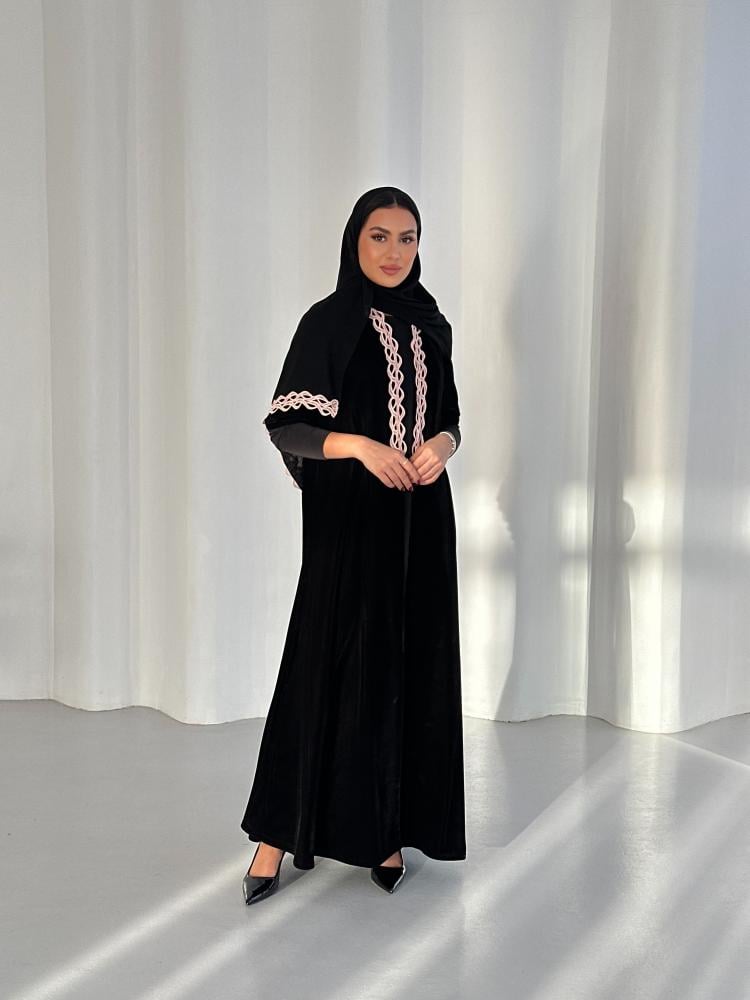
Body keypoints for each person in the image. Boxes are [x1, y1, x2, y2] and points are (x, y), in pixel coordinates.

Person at [240, 186, 466, 904]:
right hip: (350, 520)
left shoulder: (432, 324)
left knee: (406, 666)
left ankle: (386, 831)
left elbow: (450, 415)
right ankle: (275, 836)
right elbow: (289, 425)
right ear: (354, 241)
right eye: (379, 236)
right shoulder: (329, 322)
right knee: (323, 662)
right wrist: (363, 447)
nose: (394, 252)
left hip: (421, 523)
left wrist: (441, 446)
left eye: (407, 238)